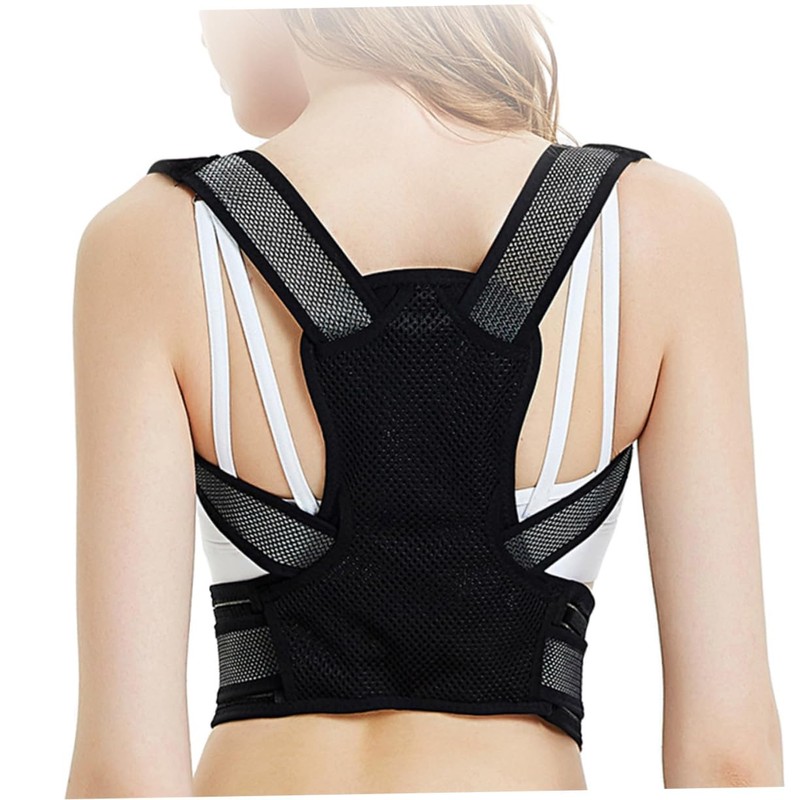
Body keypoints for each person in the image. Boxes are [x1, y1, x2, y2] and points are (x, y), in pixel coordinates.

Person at [65, 6, 783, 796]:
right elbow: (729, 759)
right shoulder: (661, 228)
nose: (200, 25)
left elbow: (122, 775)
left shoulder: (150, 239)